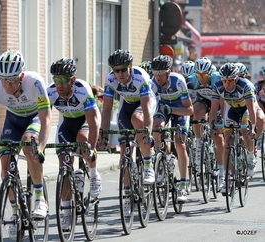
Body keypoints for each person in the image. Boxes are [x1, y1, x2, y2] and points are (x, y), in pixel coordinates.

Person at [0, 50, 52, 238]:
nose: (7, 86)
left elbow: (47, 120)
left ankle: (39, 197)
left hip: (34, 118)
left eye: (12, 80)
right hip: (13, 121)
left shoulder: (35, 83)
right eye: (4, 80)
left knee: (29, 145)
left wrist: (41, 147)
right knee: (5, 166)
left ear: (21, 77)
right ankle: (14, 213)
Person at [47, 58, 102, 230]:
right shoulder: (51, 93)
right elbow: (43, 120)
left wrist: (92, 150)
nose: (60, 84)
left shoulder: (82, 90)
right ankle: (66, 213)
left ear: (72, 80)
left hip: (85, 121)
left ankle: (93, 175)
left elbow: (93, 123)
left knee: (82, 141)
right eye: (56, 80)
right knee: (64, 166)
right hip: (67, 125)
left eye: (64, 80)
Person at [100, 49, 156, 186]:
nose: (119, 74)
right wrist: (104, 134)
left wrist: (147, 130)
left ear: (130, 65)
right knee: (124, 151)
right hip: (127, 104)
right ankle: (126, 192)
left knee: (137, 119)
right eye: (116, 70)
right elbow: (106, 110)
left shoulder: (141, 77)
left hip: (145, 103)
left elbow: (147, 109)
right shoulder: (110, 79)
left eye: (123, 70)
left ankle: (148, 164)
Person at [151, 55, 194, 203]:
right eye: (155, 73)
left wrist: (172, 109)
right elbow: (150, 106)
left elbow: (190, 109)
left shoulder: (179, 81)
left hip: (180, 110)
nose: (157, 77)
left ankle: (183, 183)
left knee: (180, 144)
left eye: (161, 73)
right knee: (156, 128)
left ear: (168, 72)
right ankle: (162, 161)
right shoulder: (153, 84)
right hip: (164, 108)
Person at [209, 63, 257, 183]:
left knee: (245, 131)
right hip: (231, 110)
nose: (227, 84)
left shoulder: (245, 86)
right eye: (224, 81)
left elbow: (251, 110)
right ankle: (225, 176)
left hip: (245, 109)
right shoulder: (217, 86)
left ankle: (251, 157)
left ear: (236, 78)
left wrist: (253, 128)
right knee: (227, 141)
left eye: (230, 81)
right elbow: (214, 110)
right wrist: (212, 126)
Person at [186, 57, 225, 189]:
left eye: (204, 75)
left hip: (218, 103)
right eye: (199, 75)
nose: (201, 78)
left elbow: (222, 103)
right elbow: (189, 102)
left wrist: (219, 119)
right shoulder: (192, 80)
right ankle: (199, 143)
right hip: (202, 100)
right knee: (196, 112)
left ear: (210, 72)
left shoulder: (217, 79)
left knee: (218, 137)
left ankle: (221, 171)